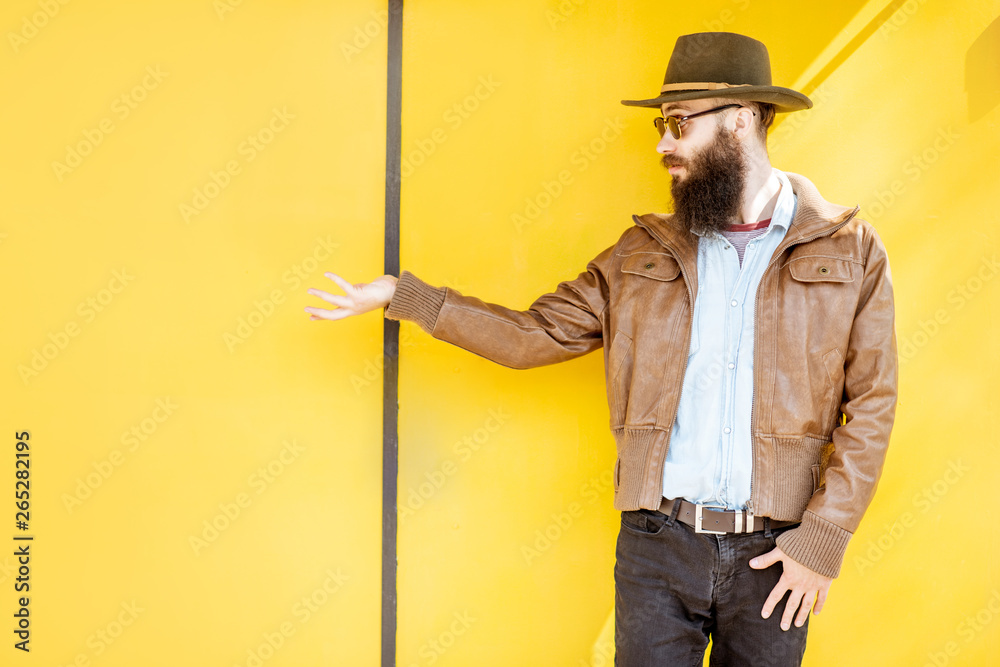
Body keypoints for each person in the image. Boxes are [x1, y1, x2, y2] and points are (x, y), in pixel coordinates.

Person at [305, 31, 898, 666]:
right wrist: (408, 296)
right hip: (655, 546)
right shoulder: (640, 252)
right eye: (661, 127)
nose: (664, 145)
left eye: (677, 124)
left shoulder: (849, 248)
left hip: (778, 555)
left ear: (742, 119)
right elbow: (535, 335)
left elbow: (871, 403)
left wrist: (824, 541)